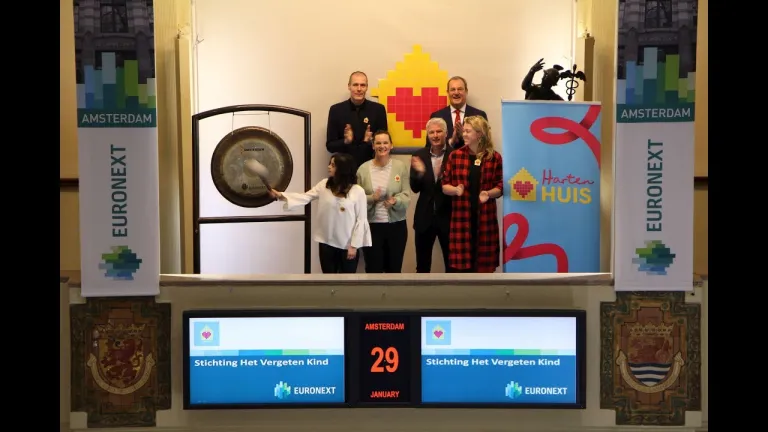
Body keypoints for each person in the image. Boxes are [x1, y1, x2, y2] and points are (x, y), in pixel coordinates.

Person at [269, 153, 371, 274]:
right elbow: (306, 197)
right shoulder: (324, 185)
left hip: (347, 245)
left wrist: (354, 246)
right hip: (326, 242)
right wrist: (280, 195)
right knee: (328, 279)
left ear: (343, 168)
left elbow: (361, 220)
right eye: (330, 164)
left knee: (347, 282)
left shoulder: (358, 191)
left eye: (333, 165)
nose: (329, 167)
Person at [441, 116, 503, 273]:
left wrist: (488, 193)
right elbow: (444, 186)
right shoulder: (455, 156)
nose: (464, 134)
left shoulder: (494, 158)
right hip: (461, 221)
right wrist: (455, 190)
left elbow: (501, 187)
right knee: (462, 271)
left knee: (484, 270)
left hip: (485, 220)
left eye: (468, 131)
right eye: (464, 131)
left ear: (479, 134)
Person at [356, 130, 411, 273]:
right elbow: (356, 199)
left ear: (391, 145)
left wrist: (395, 201)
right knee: (373, 270)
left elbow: (406, 195)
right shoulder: (363, 169)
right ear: (373, 146)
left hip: (396, 226)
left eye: (385, 142)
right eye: (378, 143)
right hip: (371, 227)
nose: (382, 146)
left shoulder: (400, 167)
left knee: (394, 269)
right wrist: (371, 198)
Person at [410, 117, 453, 273]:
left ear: (446, 133)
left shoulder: (455, 155)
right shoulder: (418, 155)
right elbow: (414, 188)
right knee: (422, 266)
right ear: (427, 135)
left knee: (452, 265)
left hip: (449, 217)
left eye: (439, 131)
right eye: (431, 132)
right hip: (424, 218)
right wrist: (420, 173)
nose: (435, 135)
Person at [326, 71, 389, 169]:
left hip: (372, 168)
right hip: (344, 169)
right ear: (349, 86)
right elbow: (330, 146)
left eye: (362, 85)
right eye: (355, 85)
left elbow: (385, 143)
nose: (359, 89)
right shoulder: (336, 110)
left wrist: (370, 141)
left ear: (367, 87)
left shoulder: (378, 110)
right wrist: (346, 141)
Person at [426, 76, 487, 149]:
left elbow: (485, 145)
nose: (456, 92)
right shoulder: (436, 116)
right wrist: (451, 142)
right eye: (453, 89)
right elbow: (430, 148)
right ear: (448, 92)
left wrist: (464, 136)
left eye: (460, 89)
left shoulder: (479, 115)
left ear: (466, 91)